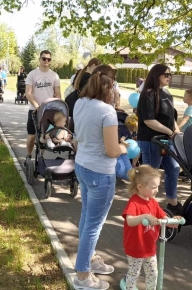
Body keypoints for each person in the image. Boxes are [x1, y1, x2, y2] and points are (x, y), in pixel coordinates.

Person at [73, 65, 127, 290]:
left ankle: (89, 261)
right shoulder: (107, 111)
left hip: (83, 166)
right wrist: (125, 147)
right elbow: (112, 150)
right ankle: (83, 275)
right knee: (93, 225)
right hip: (100, 172)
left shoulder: (80, 103)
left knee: (87, 218)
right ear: (110, 87)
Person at [121, 165, 181, 290]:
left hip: (149, 247)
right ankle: (129, 287)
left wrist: (171, 222)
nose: (157, 190)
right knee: (134, 273)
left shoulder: (153, 202)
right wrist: (144, 216)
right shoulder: (134, 202)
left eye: (158, 186)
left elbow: (162, 218)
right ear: (140, 187)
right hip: (135, 247)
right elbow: (130, 221)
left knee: (153, 273)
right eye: (153, 187)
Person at [136, 64, 182, 215]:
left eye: (170, 74)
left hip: (167, 139)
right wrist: (169, 131)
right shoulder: (148, 94)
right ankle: (145, 205)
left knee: (174, 169)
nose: (169, 77)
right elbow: (149, 120)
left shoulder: (167, 93)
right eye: (166, 75)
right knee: (151, 175)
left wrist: (176, 131)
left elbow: (171, 117)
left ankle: (172, 203)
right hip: (151, 140)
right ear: (156, 76)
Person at [25, 50, 61, 162]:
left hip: (49, 112)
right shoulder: (32, 74)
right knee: (31, 136)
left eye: (48, 59)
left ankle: (42, 159)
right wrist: (36, 106)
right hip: (34, 110)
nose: (46, 61)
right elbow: (28, 93)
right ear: (39, 59)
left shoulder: (54, 75)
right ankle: (29, 155)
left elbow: (58, 93)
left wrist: (57, 105)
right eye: (44, 58)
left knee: (46, 137)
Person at [117, 114, 139, 179]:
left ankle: (134, 165)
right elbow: (121, 139)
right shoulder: (126, 132)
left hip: (131, 148)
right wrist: (125, 143)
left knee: (138, 154)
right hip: (125, 148)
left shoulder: (134, 132)